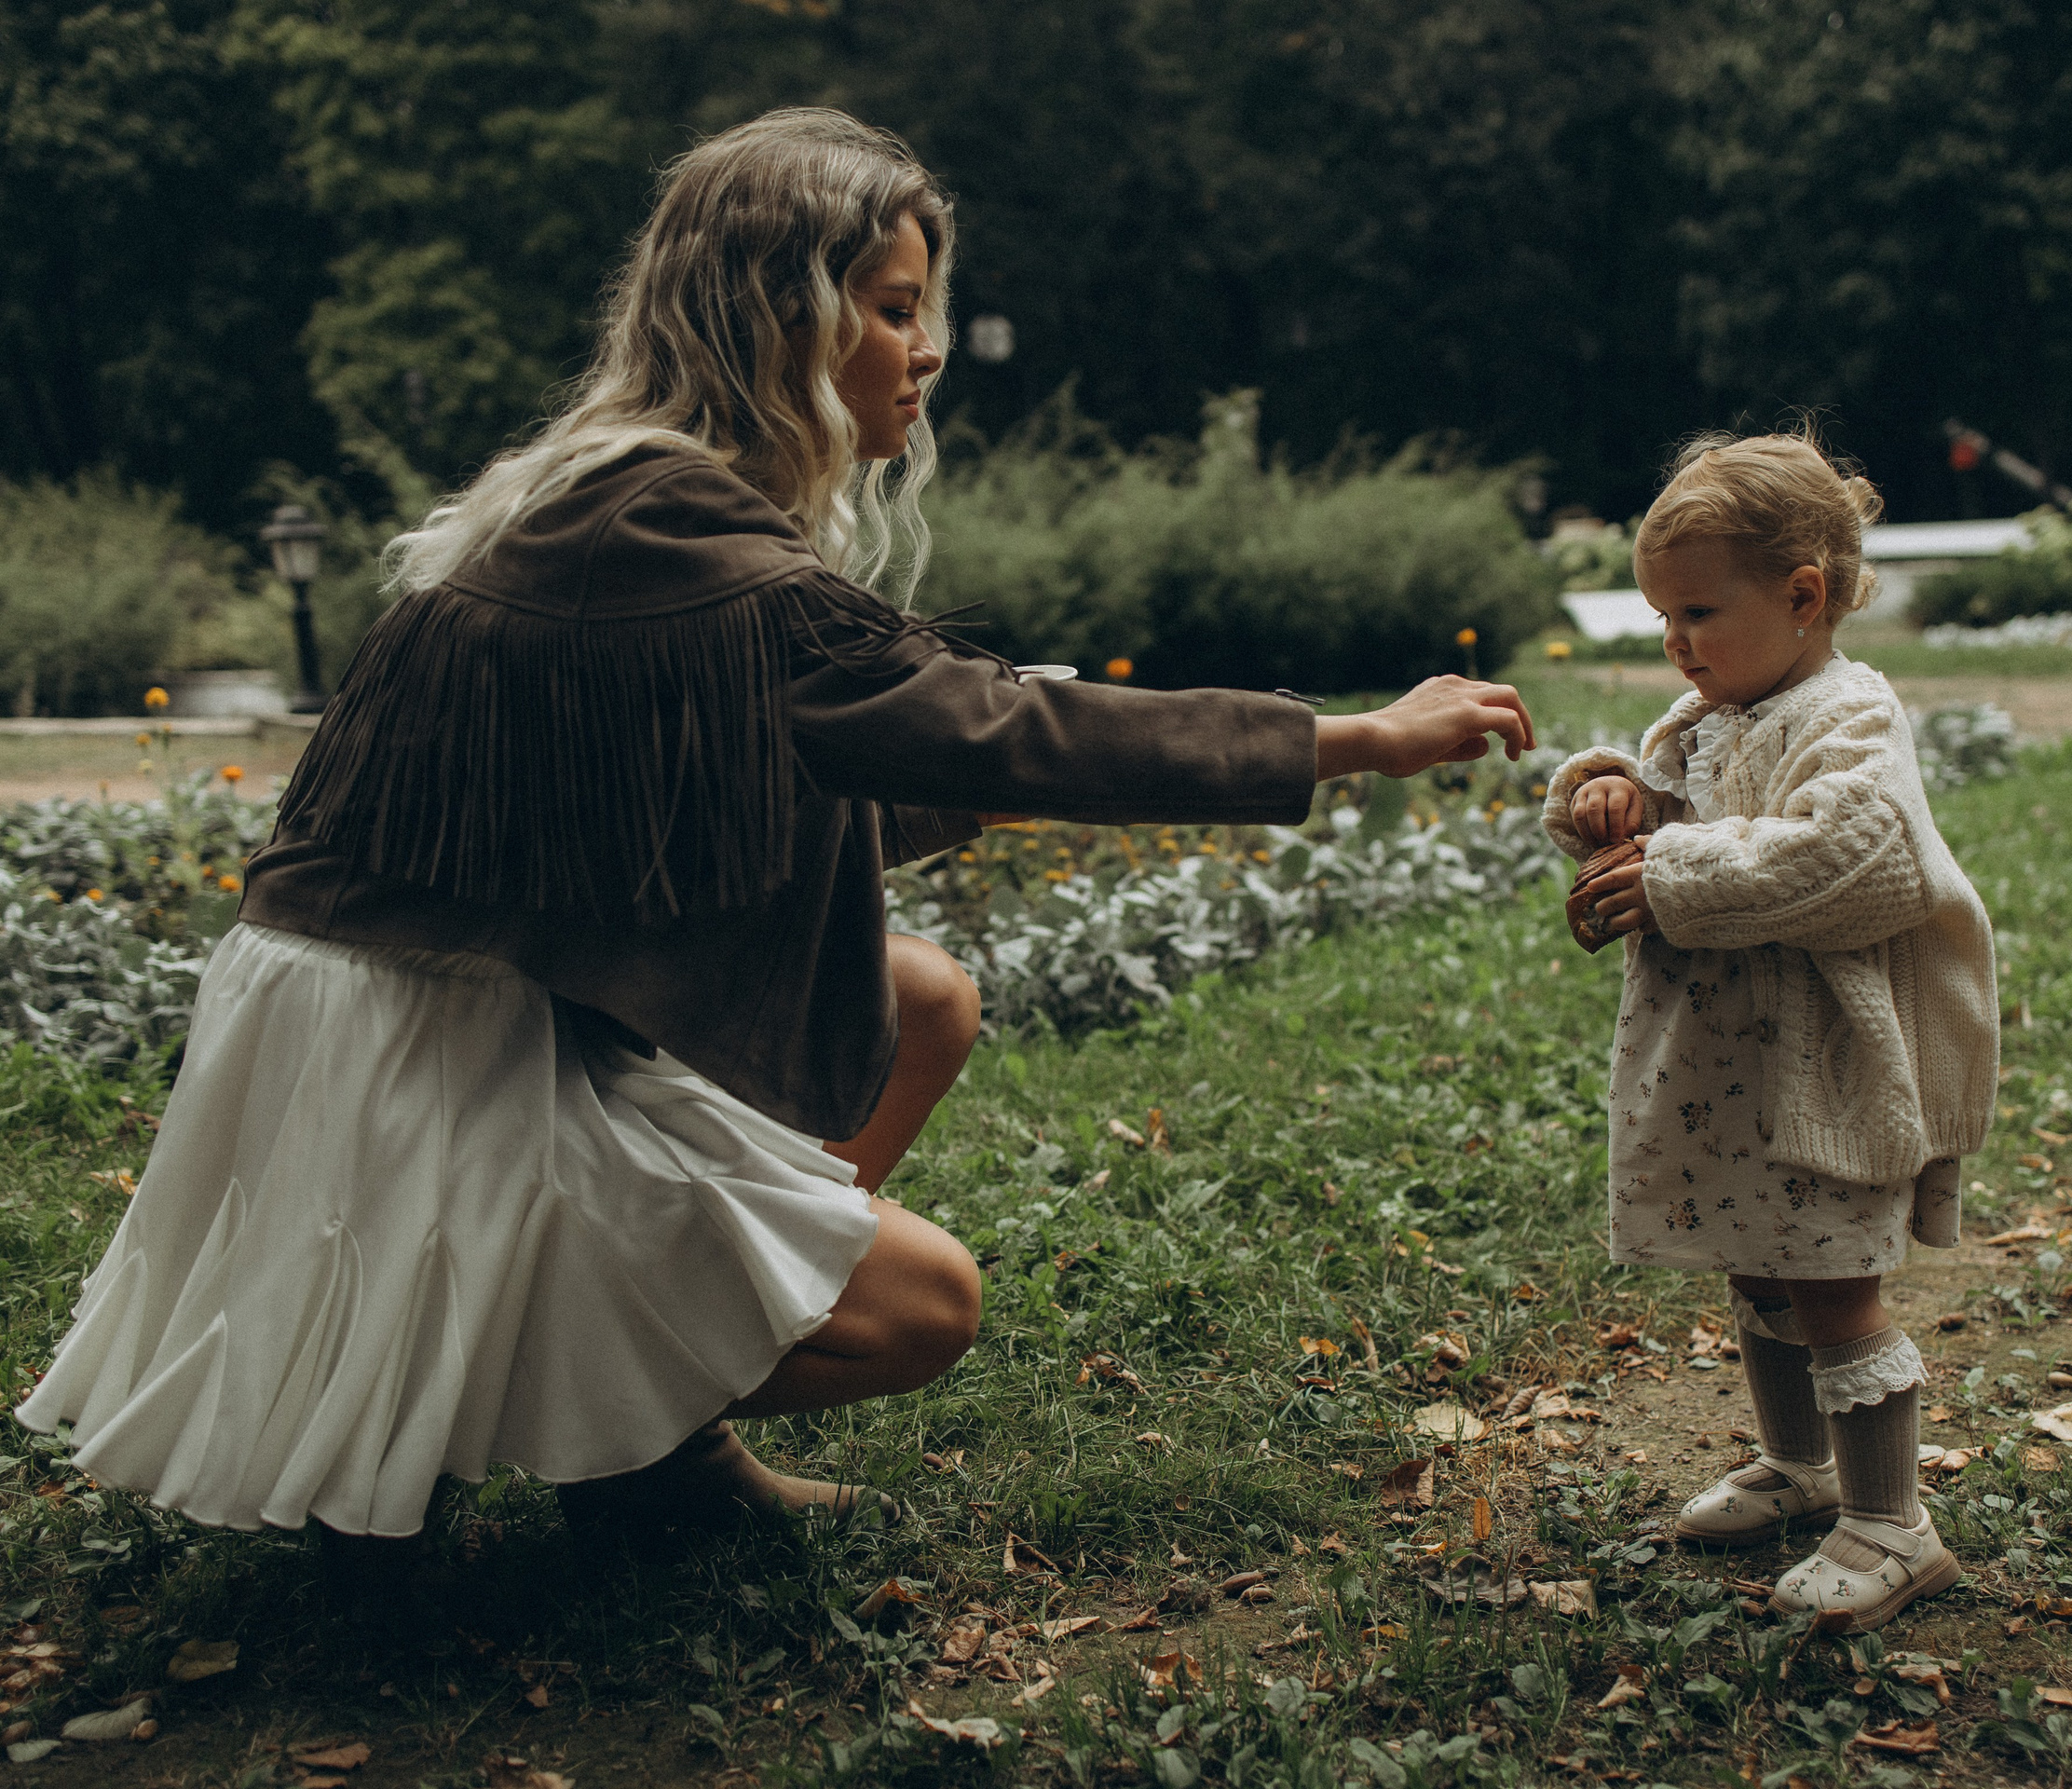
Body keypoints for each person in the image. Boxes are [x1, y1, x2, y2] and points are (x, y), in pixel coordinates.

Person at [14, 108, 1533, 1546]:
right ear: (773, 318)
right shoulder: (665, 531)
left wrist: (1005, 768)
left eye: (923, 308)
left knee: (922, 996)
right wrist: (1355, 739)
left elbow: (761, 797)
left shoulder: (614, 495)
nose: (924, 351)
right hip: (414, 1049)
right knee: (925, 1305)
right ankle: (599, 1413)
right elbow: (988, 722)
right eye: (887, 307)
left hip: (470, 994)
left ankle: (649, 1440)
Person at [1542, 430, 1997, 1632]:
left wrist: (1674, 870)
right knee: (1757, 1260)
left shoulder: (1850, 714)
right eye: (1662, 622)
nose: (1677, 646)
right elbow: (1684, 815)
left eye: (1697, 612)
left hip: (1824, 1073)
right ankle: (1799, 1471)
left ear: (1804, 598)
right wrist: (1617, 801)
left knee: (1835, 1288)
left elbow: (1861, 859)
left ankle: (1893, 1523)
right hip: (1725, 1070)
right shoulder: (1710, 713)